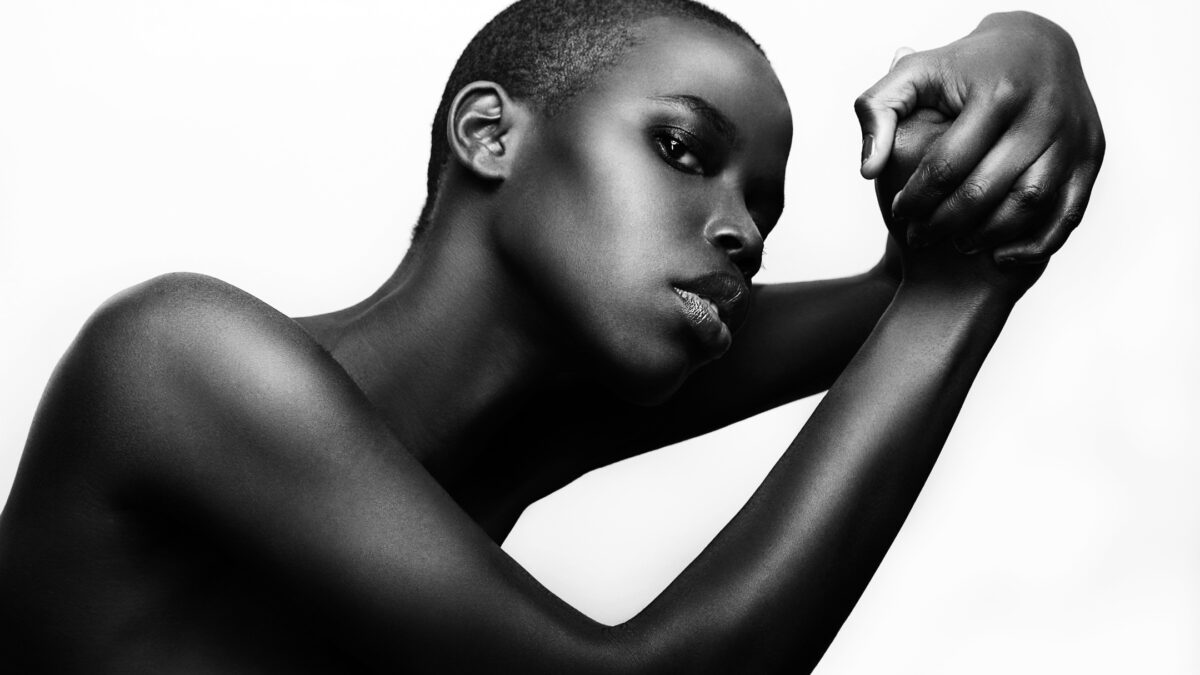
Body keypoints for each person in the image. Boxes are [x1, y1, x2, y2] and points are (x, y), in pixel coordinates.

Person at [0, 0, 1103, 672]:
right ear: (490, 132)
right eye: (681, 149)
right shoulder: (178, 362)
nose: (740, 231)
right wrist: (958, 286)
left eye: (761, 211)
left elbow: (921, 282)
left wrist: (1031, 45)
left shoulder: (532, 425)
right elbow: (934, 299)